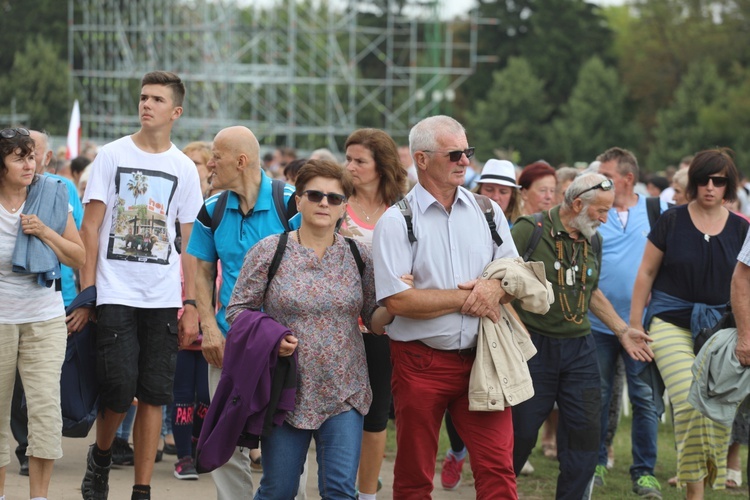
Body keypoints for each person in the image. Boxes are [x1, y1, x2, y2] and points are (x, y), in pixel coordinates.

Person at [68, 71, 204, 500]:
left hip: (162, 297)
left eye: (157, 99)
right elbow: (90, 229)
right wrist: (88, 293)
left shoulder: (183, 167)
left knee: (154, 394)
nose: (147, 104)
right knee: (118, 388)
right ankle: (102, 458)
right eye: (144, 97)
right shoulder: (110, 155)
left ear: (175, 112)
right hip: (114, 292)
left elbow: (191, 245)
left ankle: (142, 490)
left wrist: (192, 304)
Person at [373, 115, 519, 498]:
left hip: (482, 358)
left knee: (498, 469)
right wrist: (473, 297)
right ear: (421, 159)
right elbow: (398, 300)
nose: (465, 161)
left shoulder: (488, 211)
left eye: (467, 152)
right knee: (414, 474)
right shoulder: (396, 220)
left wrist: (495, 289)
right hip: (419, 361)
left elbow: (513, 277)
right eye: (454, 153)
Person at [225, 159, 376, 498]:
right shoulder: (270, 251)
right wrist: (271, 340)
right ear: (299, 200)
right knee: (278, 489)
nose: (325, 203)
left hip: (345, 390)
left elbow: (375, 317)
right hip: (285, 393)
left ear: (343, 208)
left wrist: (396, 304)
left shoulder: (359, 256)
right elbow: (237, 311)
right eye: (316, 194)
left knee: (339, 490)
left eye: (335, 198)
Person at [510, 173, 654, 500]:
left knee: (586, 439)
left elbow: (591, 291)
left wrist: (622, 331)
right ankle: (497, 493)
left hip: (580, 348)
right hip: (535, 348)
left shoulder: (593, 239)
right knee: (520, 435)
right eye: (601, 211)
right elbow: (498, 281)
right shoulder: (529, 230)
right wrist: (517, 332)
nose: (606, 218)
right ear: (577, 204)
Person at [630, 148, 749, 500]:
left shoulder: (742, 228)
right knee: (687, 399)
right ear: (694, 181)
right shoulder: (672, 220)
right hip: (670, 320)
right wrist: (634, 324)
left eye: (718, 181)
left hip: (720, 327)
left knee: (716, 409)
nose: (710, 187)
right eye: (703, 180)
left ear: (728, 185)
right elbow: (646, 272)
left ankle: (698, 474)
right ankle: (694, 493)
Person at [186, 125, 295, 499]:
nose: (210, 163)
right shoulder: (212, 209)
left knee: (284, 439)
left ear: (241, 161)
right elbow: (200, 270)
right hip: (229, 343)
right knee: (226, 437)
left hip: (284, 348)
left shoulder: (292, 204)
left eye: (216, 156)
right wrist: (208, 328)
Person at [0, 127, 85, 500]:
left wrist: (46, 233)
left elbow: (78, 256)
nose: (29, 164)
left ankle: (39, 497)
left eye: (31, 156)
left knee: (46, 412)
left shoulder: (53, 194)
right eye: (19, 157)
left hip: (45, 317)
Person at [589, 147, 667, 498]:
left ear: (628, 178)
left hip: (642, 326)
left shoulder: (658, 210)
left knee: (645, 399)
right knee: (598, 397)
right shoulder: (594, 211)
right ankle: (595, 463)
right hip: (598, 324)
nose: (599, 182)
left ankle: (644, 472)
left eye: (605, 176)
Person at [340, 128, 407, 500]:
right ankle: (339, 485)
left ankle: (367, 494)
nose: (350, 166)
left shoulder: (403, 209)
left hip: (384, 325)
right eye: (348, 158)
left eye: (359, 161)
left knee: (376, 414)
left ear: (380, 166)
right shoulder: (335, 203)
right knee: (339, 413)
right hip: (337, 324)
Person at [474, 159, 522, 224]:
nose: (495, 197)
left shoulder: (519, 228)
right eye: (489, 190)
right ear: (479, 191)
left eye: (503, 192)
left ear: (512, 196)